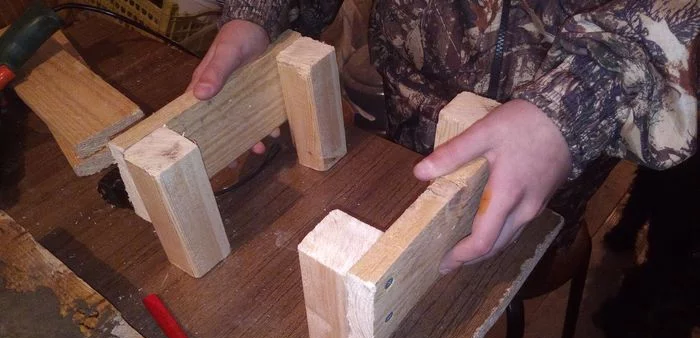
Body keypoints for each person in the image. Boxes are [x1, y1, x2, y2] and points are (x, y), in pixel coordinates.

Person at [189, 0, 698, 274]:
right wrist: (261, 12)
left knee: (484, 274)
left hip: (552, 174)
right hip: (408, 131)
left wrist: (577, 105)